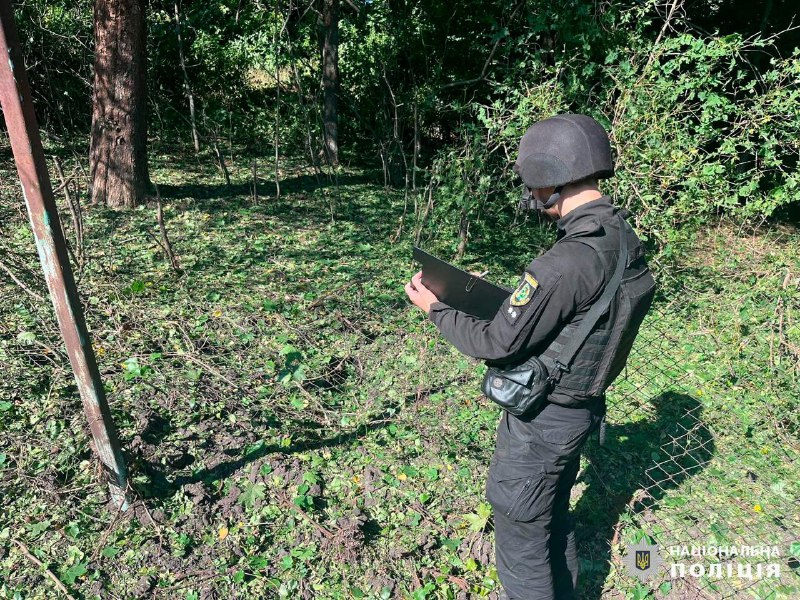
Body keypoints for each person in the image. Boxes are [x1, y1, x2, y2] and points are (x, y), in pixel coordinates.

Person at [404, 113, 656, 599]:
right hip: (579, 411)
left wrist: (435, 307)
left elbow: (495, 343)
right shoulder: (621, 238)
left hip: (542, 422)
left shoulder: (563, 262)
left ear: (547, 182)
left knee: (521, 534)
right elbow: (580, 316)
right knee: (551, 515)